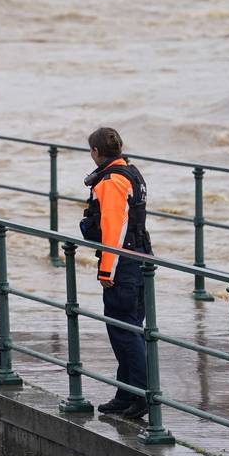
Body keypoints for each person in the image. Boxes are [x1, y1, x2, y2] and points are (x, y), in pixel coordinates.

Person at [79, 127, 151, 420]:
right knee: (129, 330)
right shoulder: (133, 173)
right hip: (141, 259)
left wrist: (107, 268)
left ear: (95, 152)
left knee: (124, 331)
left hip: (124, 265)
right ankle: (125, 393)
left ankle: (144, 394)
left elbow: (114, 227)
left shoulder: (112, 182)